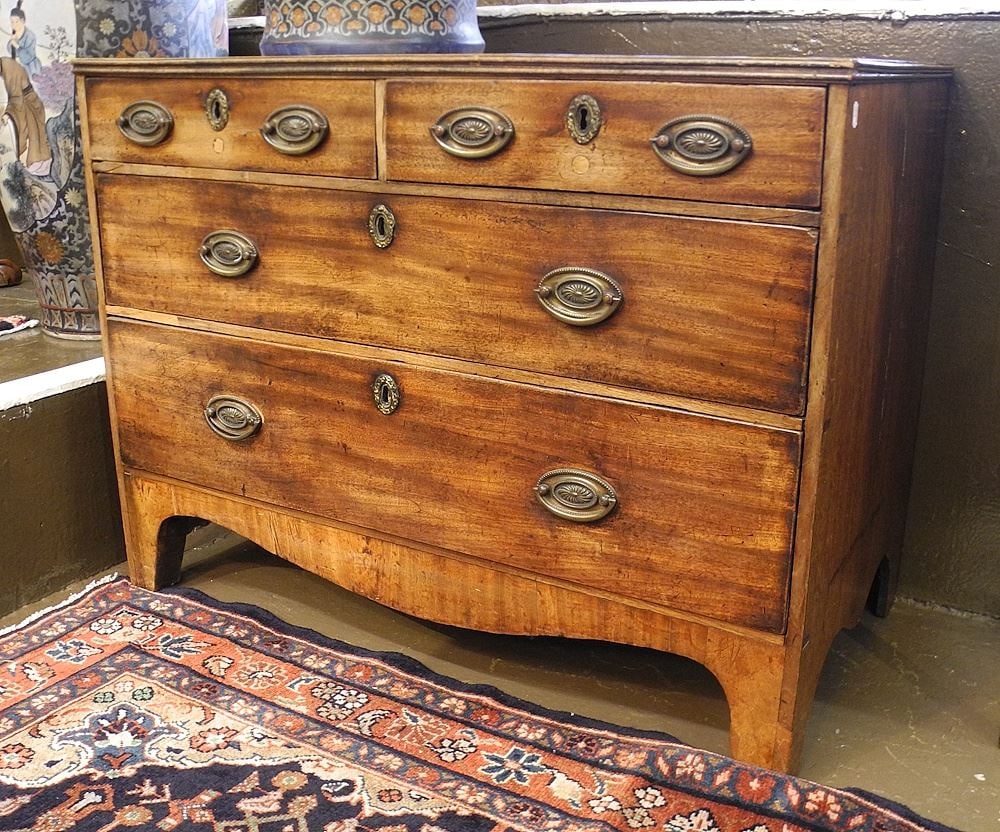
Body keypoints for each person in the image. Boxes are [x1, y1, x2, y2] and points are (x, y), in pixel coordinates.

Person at [8, 1, 41, 79]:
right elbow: (10, 50)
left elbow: (28, 57)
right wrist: (11, 42)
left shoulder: (30, 36)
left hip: (31, 68)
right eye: (12, 22)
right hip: (19, 66)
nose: (14, 24)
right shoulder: (15, 34)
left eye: (16, 21)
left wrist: (16, 45)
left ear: (22, 21)